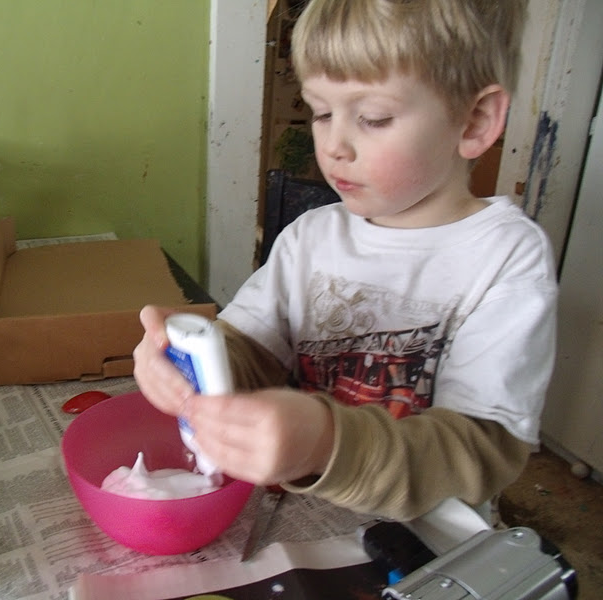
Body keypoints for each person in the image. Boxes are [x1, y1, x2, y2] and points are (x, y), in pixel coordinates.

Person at [133, 0, 557, 521]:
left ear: (474, 120)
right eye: (322, 112)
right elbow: (248, 351)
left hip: (427, 543)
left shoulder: (505, 259)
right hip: (303, 521)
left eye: (373, 118)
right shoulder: (310, 237)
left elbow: (481, 451)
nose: (333, 145)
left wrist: (329, 444)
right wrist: (186, 362)